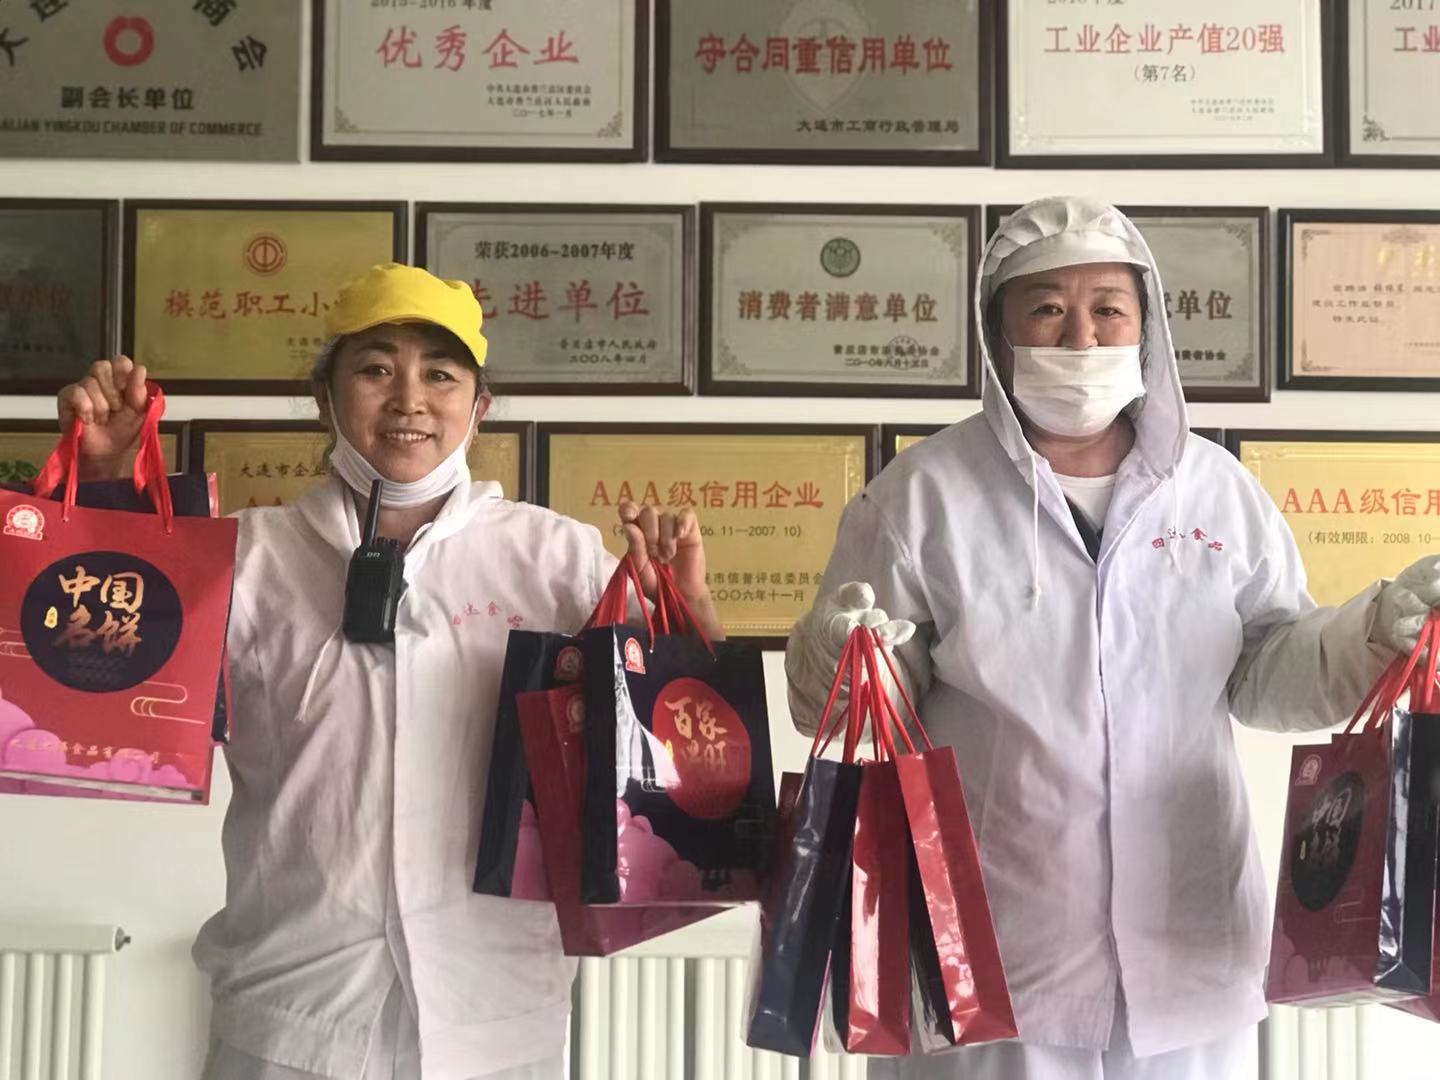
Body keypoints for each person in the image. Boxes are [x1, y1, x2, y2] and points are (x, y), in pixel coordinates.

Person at [785, 196, 1440, 1080]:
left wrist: (1373, 634)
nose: (1081, 337)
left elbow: (1271, 668)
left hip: (1191, 950)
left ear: (1146, 326)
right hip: (988, 957)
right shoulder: (922, 497)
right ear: (998, 334)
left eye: (1108, 309)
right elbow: (860, 704)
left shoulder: (1214, 491)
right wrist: (835, 654)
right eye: (1047, 309)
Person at [57, 263, 723, 1080]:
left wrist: (689, 615)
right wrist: (105, 493)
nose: (410, 399)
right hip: (292, 1013)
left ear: (478, 408)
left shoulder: (555, 558)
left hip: (497, 1014)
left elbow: (682, 750)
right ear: (325, 398)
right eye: (375, 369)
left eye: (440, 375)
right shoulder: (246, 558)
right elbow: (100, 687)